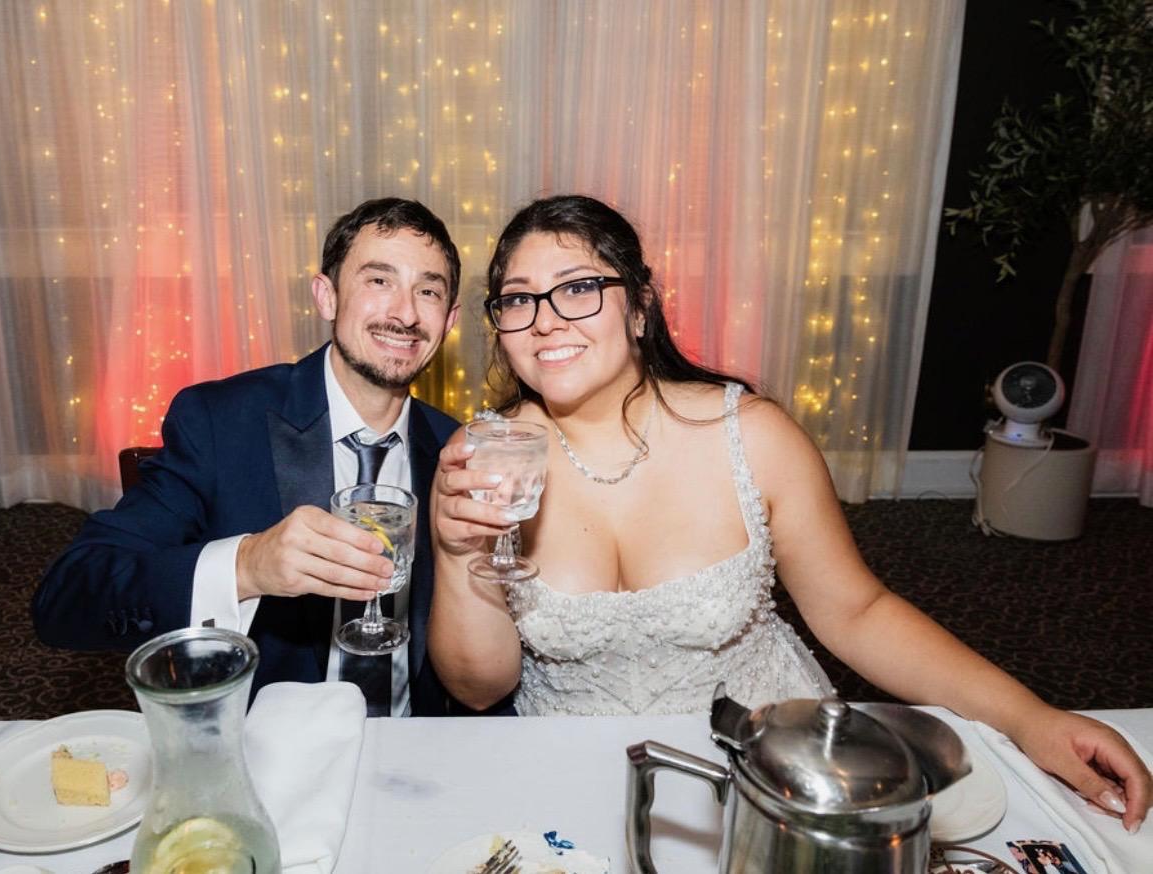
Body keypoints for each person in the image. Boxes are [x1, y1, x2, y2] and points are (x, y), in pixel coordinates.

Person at [429, 193, 1150, 832]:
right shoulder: (486, 461)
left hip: (770, 776)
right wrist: (460, 554)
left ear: (640, 306)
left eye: (579, 288)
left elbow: (858, 612)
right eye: (518, 300)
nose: (545, 321)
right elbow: (477, 687)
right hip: (577, 780)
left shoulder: (753, 436)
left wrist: (1030, 718)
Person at [33, 197, 464, 716]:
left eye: (428, 291)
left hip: (417, 737)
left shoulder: (453, 449)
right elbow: (68, 597)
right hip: (270, 738)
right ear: (326, 296)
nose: (406, 313)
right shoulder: (220, 422)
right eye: (379, 280)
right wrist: (246, 565)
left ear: (449, 319)